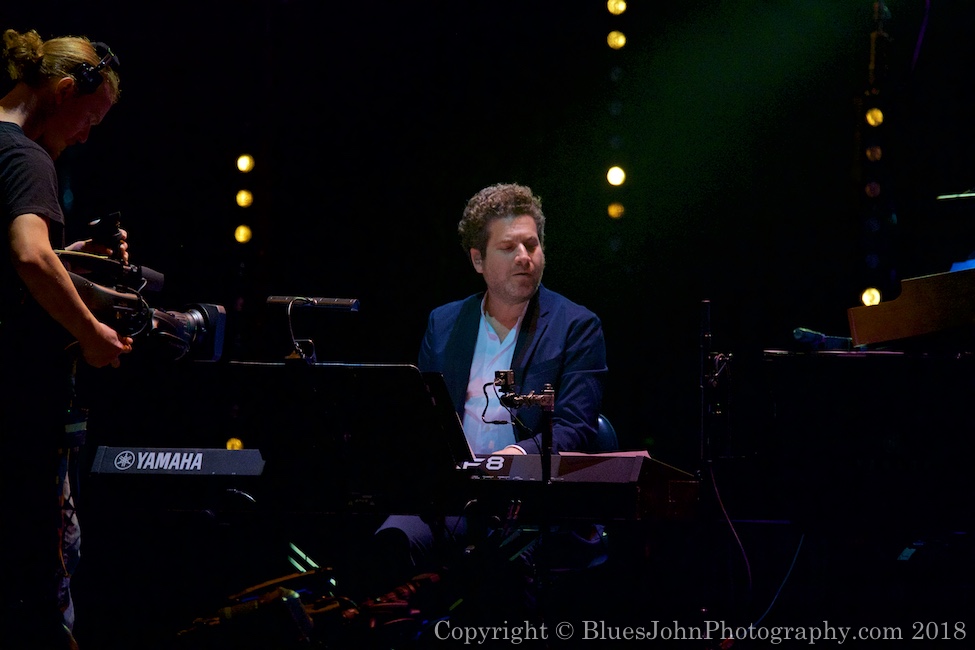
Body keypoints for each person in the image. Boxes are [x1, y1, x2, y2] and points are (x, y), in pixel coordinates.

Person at [370, 182, 608, 601]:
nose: (524, 257)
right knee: (387, 546)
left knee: (494, 574)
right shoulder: (444, 323)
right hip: (454, 497)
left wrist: (514, 457)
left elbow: (575, 428)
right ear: (478, 259)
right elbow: (422, 421)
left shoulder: (576, 325)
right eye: (508, 247)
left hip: (531, 502)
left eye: (531, 245)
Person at [0, 28, 131, 648]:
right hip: (20, 421)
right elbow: (29, 256)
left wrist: (68, 256)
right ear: (60, 92)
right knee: (40, 597)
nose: (86, 135)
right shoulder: (28, 157)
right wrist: (93, 331)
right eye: (89, 118)